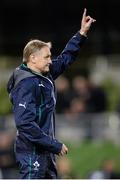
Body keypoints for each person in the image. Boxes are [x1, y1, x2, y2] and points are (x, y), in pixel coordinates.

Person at [7, 8, 96, 179]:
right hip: (32, 151)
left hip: (45, 150)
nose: (50, 60)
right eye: (47, 57)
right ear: (33, 58)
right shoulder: (25, 84)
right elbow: (24, 124)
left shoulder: (42, 75)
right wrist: (53, 144)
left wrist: (81, 33)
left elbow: (64, 59)